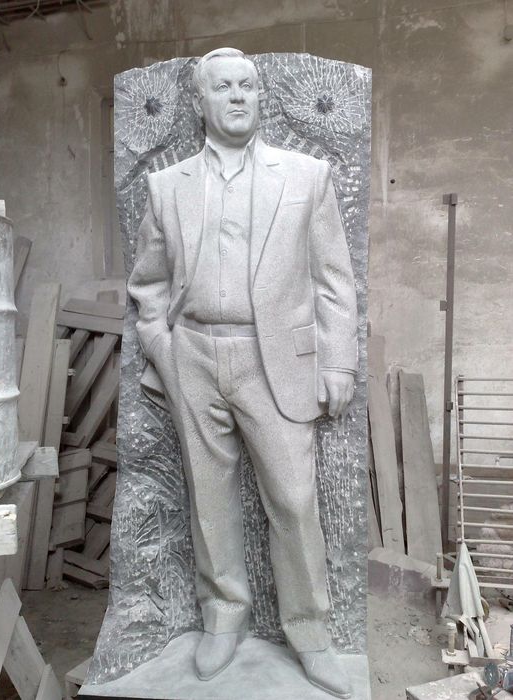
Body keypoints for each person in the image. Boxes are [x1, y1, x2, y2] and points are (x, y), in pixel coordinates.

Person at [127, 47, 358, 699]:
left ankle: (310, 634)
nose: (237, 96)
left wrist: (337, 361)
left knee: (293, 499)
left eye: (247, 86)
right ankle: (223, 617)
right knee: (210, 499)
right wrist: (164, 349)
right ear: (199, 101)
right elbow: (148, 283)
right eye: (223, 87)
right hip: (194, 356)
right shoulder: (166, 187)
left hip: (275, 358)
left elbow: (335, 282)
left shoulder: (306, 177)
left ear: (260, 97)